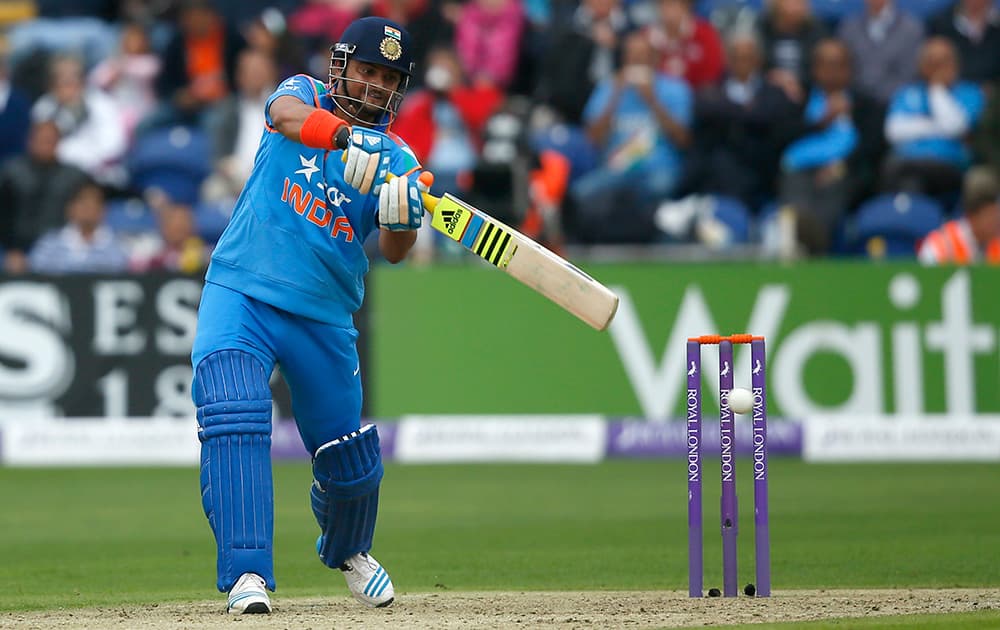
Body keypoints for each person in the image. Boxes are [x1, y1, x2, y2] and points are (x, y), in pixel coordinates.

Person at [190, 16, 428, 615]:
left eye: (388, 78)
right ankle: (247, 574)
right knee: (234, 412)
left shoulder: (399, 157)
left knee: (349, 459)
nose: (375, 86)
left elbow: (397, 253)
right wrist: (348, 141)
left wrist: (401, 217)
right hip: (242, 288)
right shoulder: (302, 93)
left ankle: (349, 549)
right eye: (368, 71)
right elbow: (284, 119)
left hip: (323, 315)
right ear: (342, 65)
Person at [776, 39, 886, 255]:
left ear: (850, 69)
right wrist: (823, 121)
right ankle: (798, 245)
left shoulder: (865, 105)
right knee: (796, 196)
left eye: (839, 65)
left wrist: (840, 166)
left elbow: (873, 148)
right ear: (815, 69)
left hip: (843, 171)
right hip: (798, 170)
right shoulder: (799, 99)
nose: (832, 72)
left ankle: (813, 249)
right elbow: (780, 138)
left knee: (833, 189)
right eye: (826, 65)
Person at [882, 37, 985, 202]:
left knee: (908, 177)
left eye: (943, 61)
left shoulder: (970, 93)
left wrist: (937, 88)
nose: (938, 68)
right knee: (908, 177)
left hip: (948, 164)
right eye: (932, 62)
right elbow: (893, 131)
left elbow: (955, 128)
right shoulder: (907, 92)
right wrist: (936, 126)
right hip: (905, 163)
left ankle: (907, 219)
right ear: (921, 66)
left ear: (956, 64)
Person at [0, 120, 89, 273]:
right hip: (16, 249)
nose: (45, 145)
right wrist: (11, 249)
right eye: (41, 140)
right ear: (30, 141)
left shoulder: (74, 176)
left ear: (58, 143)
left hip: (59, 251)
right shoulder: (11, 173)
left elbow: (100, 195)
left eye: (50, 141)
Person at [27, 178, 130, 274]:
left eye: (94, 203)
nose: (89, 208)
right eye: (83, 202)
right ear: (70, 208)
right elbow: (36, 275)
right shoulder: (48, 244)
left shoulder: (118, 245)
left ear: (103, 210)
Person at [836, 0, 925, 105]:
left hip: (897, 105)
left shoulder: (912, 29)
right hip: (856, 104)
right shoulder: (848, 28)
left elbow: (911, 73)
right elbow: (844, 70)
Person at [918, 166, 1000, 263]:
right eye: (991, 215)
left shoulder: (996, 242)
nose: (997, 220)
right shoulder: (941, 246)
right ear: (972, 215)